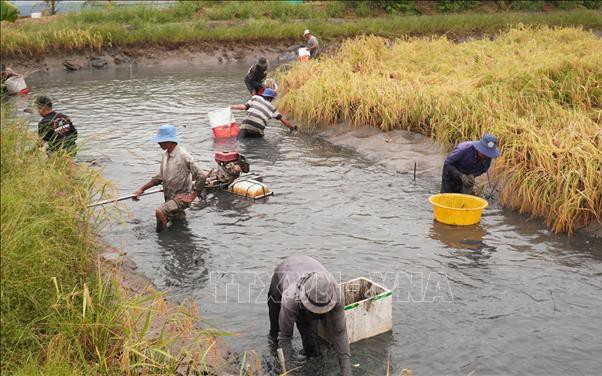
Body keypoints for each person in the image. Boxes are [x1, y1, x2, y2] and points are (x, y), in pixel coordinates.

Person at [268, 256, 351, 376]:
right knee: (275, 334)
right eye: (314, 310)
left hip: (309, 277)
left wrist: (346, 372)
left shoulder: (336, 294)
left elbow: (340, 333)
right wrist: (287, 372)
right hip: (281, 276)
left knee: (311, 345)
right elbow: (285, 337)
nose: (317, 313)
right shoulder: (290, 298)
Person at [133, 124, 207, 232]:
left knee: (160, 212)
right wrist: (142, 189)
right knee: (178, 222)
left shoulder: (183, 156)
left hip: (181, 198)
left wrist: (192, 197)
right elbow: (159, 178)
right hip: (169, 196)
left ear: (169, 141)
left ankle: (161, 241)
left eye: (161, 141)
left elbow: (202, 175)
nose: (158, 143)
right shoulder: (165, 155)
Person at [230, 88, 296, 139]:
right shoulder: (272, 108)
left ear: (264, 94)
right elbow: (284, 121)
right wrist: (292, 128)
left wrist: (231, 107)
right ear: (271, 98)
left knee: (241, 141)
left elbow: (243, 107)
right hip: (257, 131)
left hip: (245, 127)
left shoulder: (255, 97)